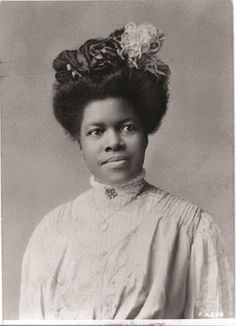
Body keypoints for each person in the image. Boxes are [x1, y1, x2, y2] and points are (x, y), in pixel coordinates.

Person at [19, 22, 234, 320]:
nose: (114, 143)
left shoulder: (190, 229)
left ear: (146, 132)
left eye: (127, 127)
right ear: (79, 141)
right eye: (96, 132)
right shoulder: (51, 232)